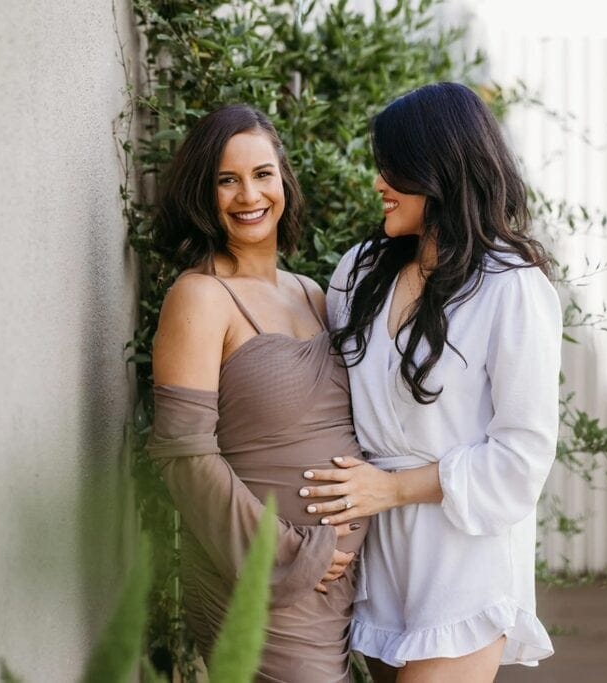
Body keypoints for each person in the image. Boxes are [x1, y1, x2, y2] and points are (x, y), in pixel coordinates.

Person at [300, 82, 562, 682]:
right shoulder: (360, 271)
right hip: (377, 556)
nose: (378, 183)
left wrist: (388, 491)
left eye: (392, 167)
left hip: (465, 559)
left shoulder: (511, 287)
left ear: (438, 169)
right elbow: (328, 409)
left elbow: (521, 457)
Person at [146, 104, 369, 682]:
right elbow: (184, 456)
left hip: (339, 596)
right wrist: (289, 555)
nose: (249, 194)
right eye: (227, 179)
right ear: (204, 192)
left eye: (262, 174)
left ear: (284, 181)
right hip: (260, 586)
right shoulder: (199, 297)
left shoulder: (314, 294)